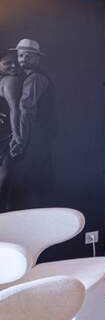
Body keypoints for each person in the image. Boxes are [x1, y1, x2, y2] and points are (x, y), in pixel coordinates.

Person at [7, 39, 56, 209]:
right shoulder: (28, 77)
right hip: (39, 134)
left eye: (28, 56)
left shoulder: (35, 78)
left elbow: (26, 109)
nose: (23, 59)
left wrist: (20, 140)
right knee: (40, 179)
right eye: (20, 55)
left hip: (35, 134)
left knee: (28, 180)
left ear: (37, 58)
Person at [0, 51, 22, 209]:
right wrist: (17, 135)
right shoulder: (10, 80)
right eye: (7, 63)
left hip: (5, 135)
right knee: (6, 178)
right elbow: (15, 110)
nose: (14, 65)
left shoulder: (7, 79)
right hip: (6, 136)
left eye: (15, 61)